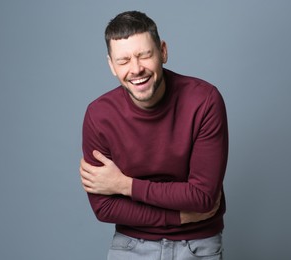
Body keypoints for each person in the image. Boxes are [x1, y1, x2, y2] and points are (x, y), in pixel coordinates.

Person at [80, 10, 229, 260]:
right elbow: (105, 208)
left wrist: (124, 185)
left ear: (163, 51)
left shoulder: (204, 100)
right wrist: (180, 216)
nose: (136, 69)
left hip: (198, 244)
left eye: (144, 55)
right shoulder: (99, 115)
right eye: (124, 60)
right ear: (111, 66)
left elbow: (203, 197)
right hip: (130, 245)